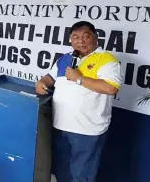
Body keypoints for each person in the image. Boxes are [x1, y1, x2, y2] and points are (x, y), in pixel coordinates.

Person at [35, 21, 122, 182]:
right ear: (70, 40)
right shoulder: (65, 59)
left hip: (87, 130)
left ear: (95, 38)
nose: (80, 41)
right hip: (60, 126)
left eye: (85, 36)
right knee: (62, 172)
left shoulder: (106, 59)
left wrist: (79, 78)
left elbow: (111, 88)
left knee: (82, 176)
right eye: (75, 37)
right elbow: (50, 77)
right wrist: (41, 82)